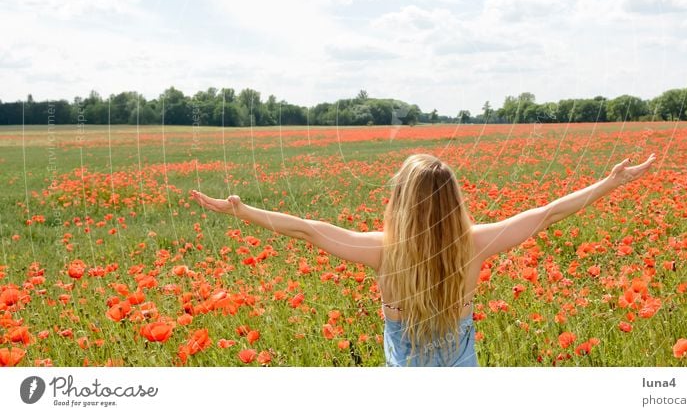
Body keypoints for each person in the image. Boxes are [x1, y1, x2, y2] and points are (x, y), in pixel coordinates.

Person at [190, 151, 657, 366]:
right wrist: (609, 183)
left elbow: (306, 230)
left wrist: (241, 209)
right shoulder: (474, 243)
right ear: (454, 200)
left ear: (401, 200)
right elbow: (545, 215)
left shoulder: (381, 249)